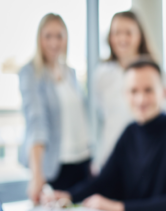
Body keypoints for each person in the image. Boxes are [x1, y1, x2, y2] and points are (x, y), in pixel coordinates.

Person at [44, 59, 166, 211]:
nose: (141, 99)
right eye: (133, 91)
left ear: (164, 92)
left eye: (148, 90)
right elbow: (103, 181)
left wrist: (120, 208)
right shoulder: (130, 132)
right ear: (125, 95)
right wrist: (69, 195)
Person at [18, 13, 91, 204]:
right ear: (39, 39)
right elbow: (36, 122)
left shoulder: (71, 73)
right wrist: (37, 174)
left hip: (83, 160)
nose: (54, 42)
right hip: (57, 166)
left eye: (59, 36)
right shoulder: (31, 73)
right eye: (48, 36)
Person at [93, 11, 166, 172]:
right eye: (116, 33)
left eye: (128, 33)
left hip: (147, 155)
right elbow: (99, 118)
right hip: (111, 157)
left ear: (139, 36)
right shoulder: (102, 74)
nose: (122, 39)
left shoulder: (155, 71)